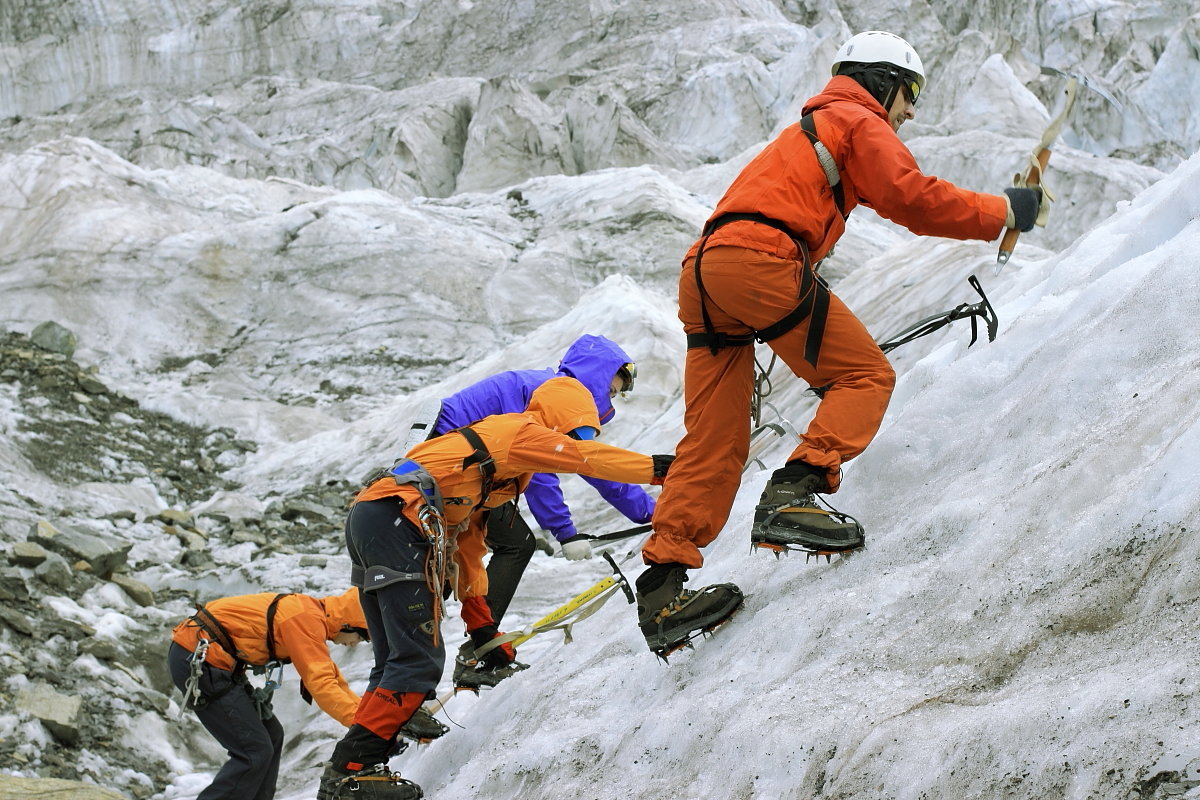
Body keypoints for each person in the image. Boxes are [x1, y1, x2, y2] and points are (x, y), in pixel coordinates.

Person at [634, 31, 1047, 655]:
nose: (910, 112)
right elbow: (911, 198)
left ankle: (662, 589)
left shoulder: (812, 127)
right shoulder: (857, 118)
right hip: (760, 260)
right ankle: (794, 494)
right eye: (911, 95)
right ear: (885, 81)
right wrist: (1005, 211)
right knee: (865, 378)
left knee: (715, 440)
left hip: (705, 271)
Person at [317, 376, 672, 799]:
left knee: (396, 659)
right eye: (574, 427)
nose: (572, 438)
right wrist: (662, 469)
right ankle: (351, 771)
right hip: (398, 518)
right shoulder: (519, 432)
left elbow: (469, 552)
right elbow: (585, 459)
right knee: (417, 662)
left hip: (375, 516)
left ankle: (356, 769)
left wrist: (483, 629)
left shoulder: (497, 469)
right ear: (562, 417)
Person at [421, 334, 650, 628]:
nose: (609, 400)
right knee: (513, 546)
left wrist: (649, 512)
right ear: (594, 379)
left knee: (463, 562)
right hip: (454, 473)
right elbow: (546, 468)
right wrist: (565, 533)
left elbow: (592, 464)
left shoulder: (545, 388)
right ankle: (479, 645)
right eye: (609, 390)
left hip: (461, 471)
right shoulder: (552, 396)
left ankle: (478, 641)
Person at [168, 588, 369, 800]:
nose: (356, 643)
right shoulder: (304, 620)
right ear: (348, 624)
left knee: (271, 735)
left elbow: (333, 680)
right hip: (200, 659)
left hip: (211, 659)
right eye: (362, 636)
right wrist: (365, 729)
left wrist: (369, 721)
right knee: (254, 751)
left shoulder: (310, 615)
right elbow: (322, 684)